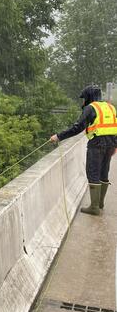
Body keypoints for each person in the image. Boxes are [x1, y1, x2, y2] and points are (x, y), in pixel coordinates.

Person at [50, 85, 117, 216]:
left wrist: (58, 136)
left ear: (89, 97)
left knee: (93, 172)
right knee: (104, 172)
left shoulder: (90, 108)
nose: (83, 101)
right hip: (110, 144)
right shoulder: (110, 107)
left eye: (84, 98)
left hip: (96, 144)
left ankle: (94, 207)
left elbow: (77, 128)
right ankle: (100, 203)